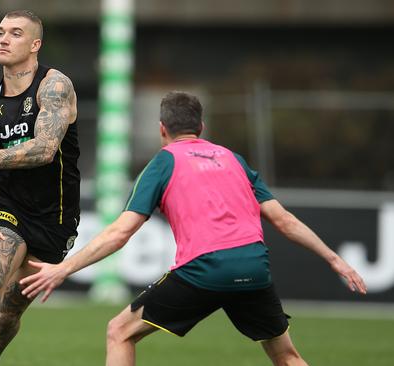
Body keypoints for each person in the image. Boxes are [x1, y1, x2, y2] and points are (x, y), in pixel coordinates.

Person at [20, 91, 367, 366]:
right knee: (287, 357)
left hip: (205, 269)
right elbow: (285, 221)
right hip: (254, 268)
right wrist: (335, 260)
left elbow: (121, 232)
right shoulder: (234, 158)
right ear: (201, 127)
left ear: (162, 129)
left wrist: (63, 268)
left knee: (119, 332)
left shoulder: (163, 162)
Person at [0, 10, 80, 366]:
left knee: (9, 310)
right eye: (0, 32)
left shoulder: (54, 86)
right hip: (8, 207)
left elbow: (44, 149)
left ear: (35, 44)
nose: (4, 39)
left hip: (55, 216)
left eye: (16, 33)